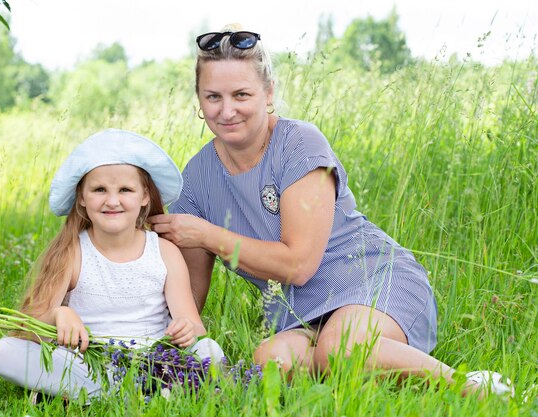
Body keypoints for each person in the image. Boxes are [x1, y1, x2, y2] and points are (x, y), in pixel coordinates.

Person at [149, 25, 513, 397]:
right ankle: (357, 368)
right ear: (199, 100)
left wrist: (208, 234)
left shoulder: (298, 143)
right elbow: (188, 299)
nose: (227, 110)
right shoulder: (196, 178)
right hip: (300, 314)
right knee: (271, 361)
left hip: (371, 279)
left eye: (241, 94)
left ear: (268, 92)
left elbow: (298, 265)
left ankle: (471, 387)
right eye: (213, 97)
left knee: (341, 348)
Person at [0, 129, 224, 401]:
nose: (112, 201)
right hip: (88, 363)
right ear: (82, 198)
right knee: (4, 352)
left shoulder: (164, 252)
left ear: (145, 196)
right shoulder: (73, 252)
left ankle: (89, 394)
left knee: (210, 351)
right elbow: (29, 327)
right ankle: (133, 393)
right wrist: (57, 315)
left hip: (154, 363)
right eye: (99, 190)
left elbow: (194, 327)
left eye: (125, 189)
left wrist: (185, 330)